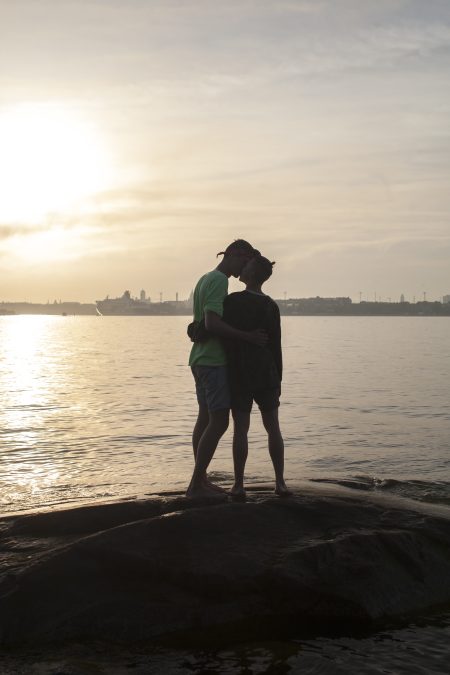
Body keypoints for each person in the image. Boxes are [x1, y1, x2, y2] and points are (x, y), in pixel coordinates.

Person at [186, 240, 268, 499]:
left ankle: (201, 479)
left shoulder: (204, 278)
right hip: (212, 360)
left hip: (198, 359)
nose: (245, 267)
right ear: (233, 255)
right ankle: (196, 484)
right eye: (244, 261)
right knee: (219, 422)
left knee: (204, 419)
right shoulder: (220, 281)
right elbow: (211, 323)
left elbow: (200, 321)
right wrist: (247, 336)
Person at [223, 254, 291, 498]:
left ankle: (239, 484)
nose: (242, 267)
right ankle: (280, 482)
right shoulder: (271, 306)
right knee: (273, 427)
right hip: (267, 372)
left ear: (250, 274)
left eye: (247, 265)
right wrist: (279, 379)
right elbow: (276, 346)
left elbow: (222, 334)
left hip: (240, 371)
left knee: (241, 429)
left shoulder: (232, 301)